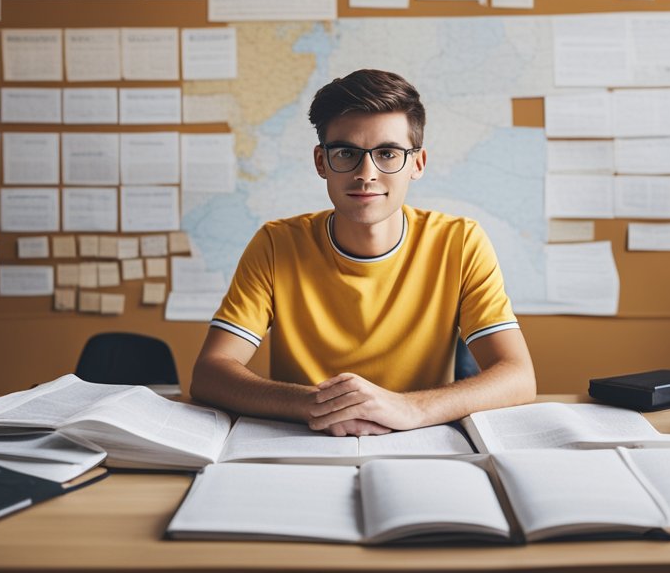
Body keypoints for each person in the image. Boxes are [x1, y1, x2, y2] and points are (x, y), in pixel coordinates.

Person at [191, 69, 536, 436]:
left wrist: (410, 408)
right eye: (346, 153)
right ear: (321, 162)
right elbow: (211, 372)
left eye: (387, 153)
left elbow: (518, 376)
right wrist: (316, 404)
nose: (366, 173)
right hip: (305, 439)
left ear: (417, 164)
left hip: (418, 440)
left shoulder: (460, 242)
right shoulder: (276, 244)